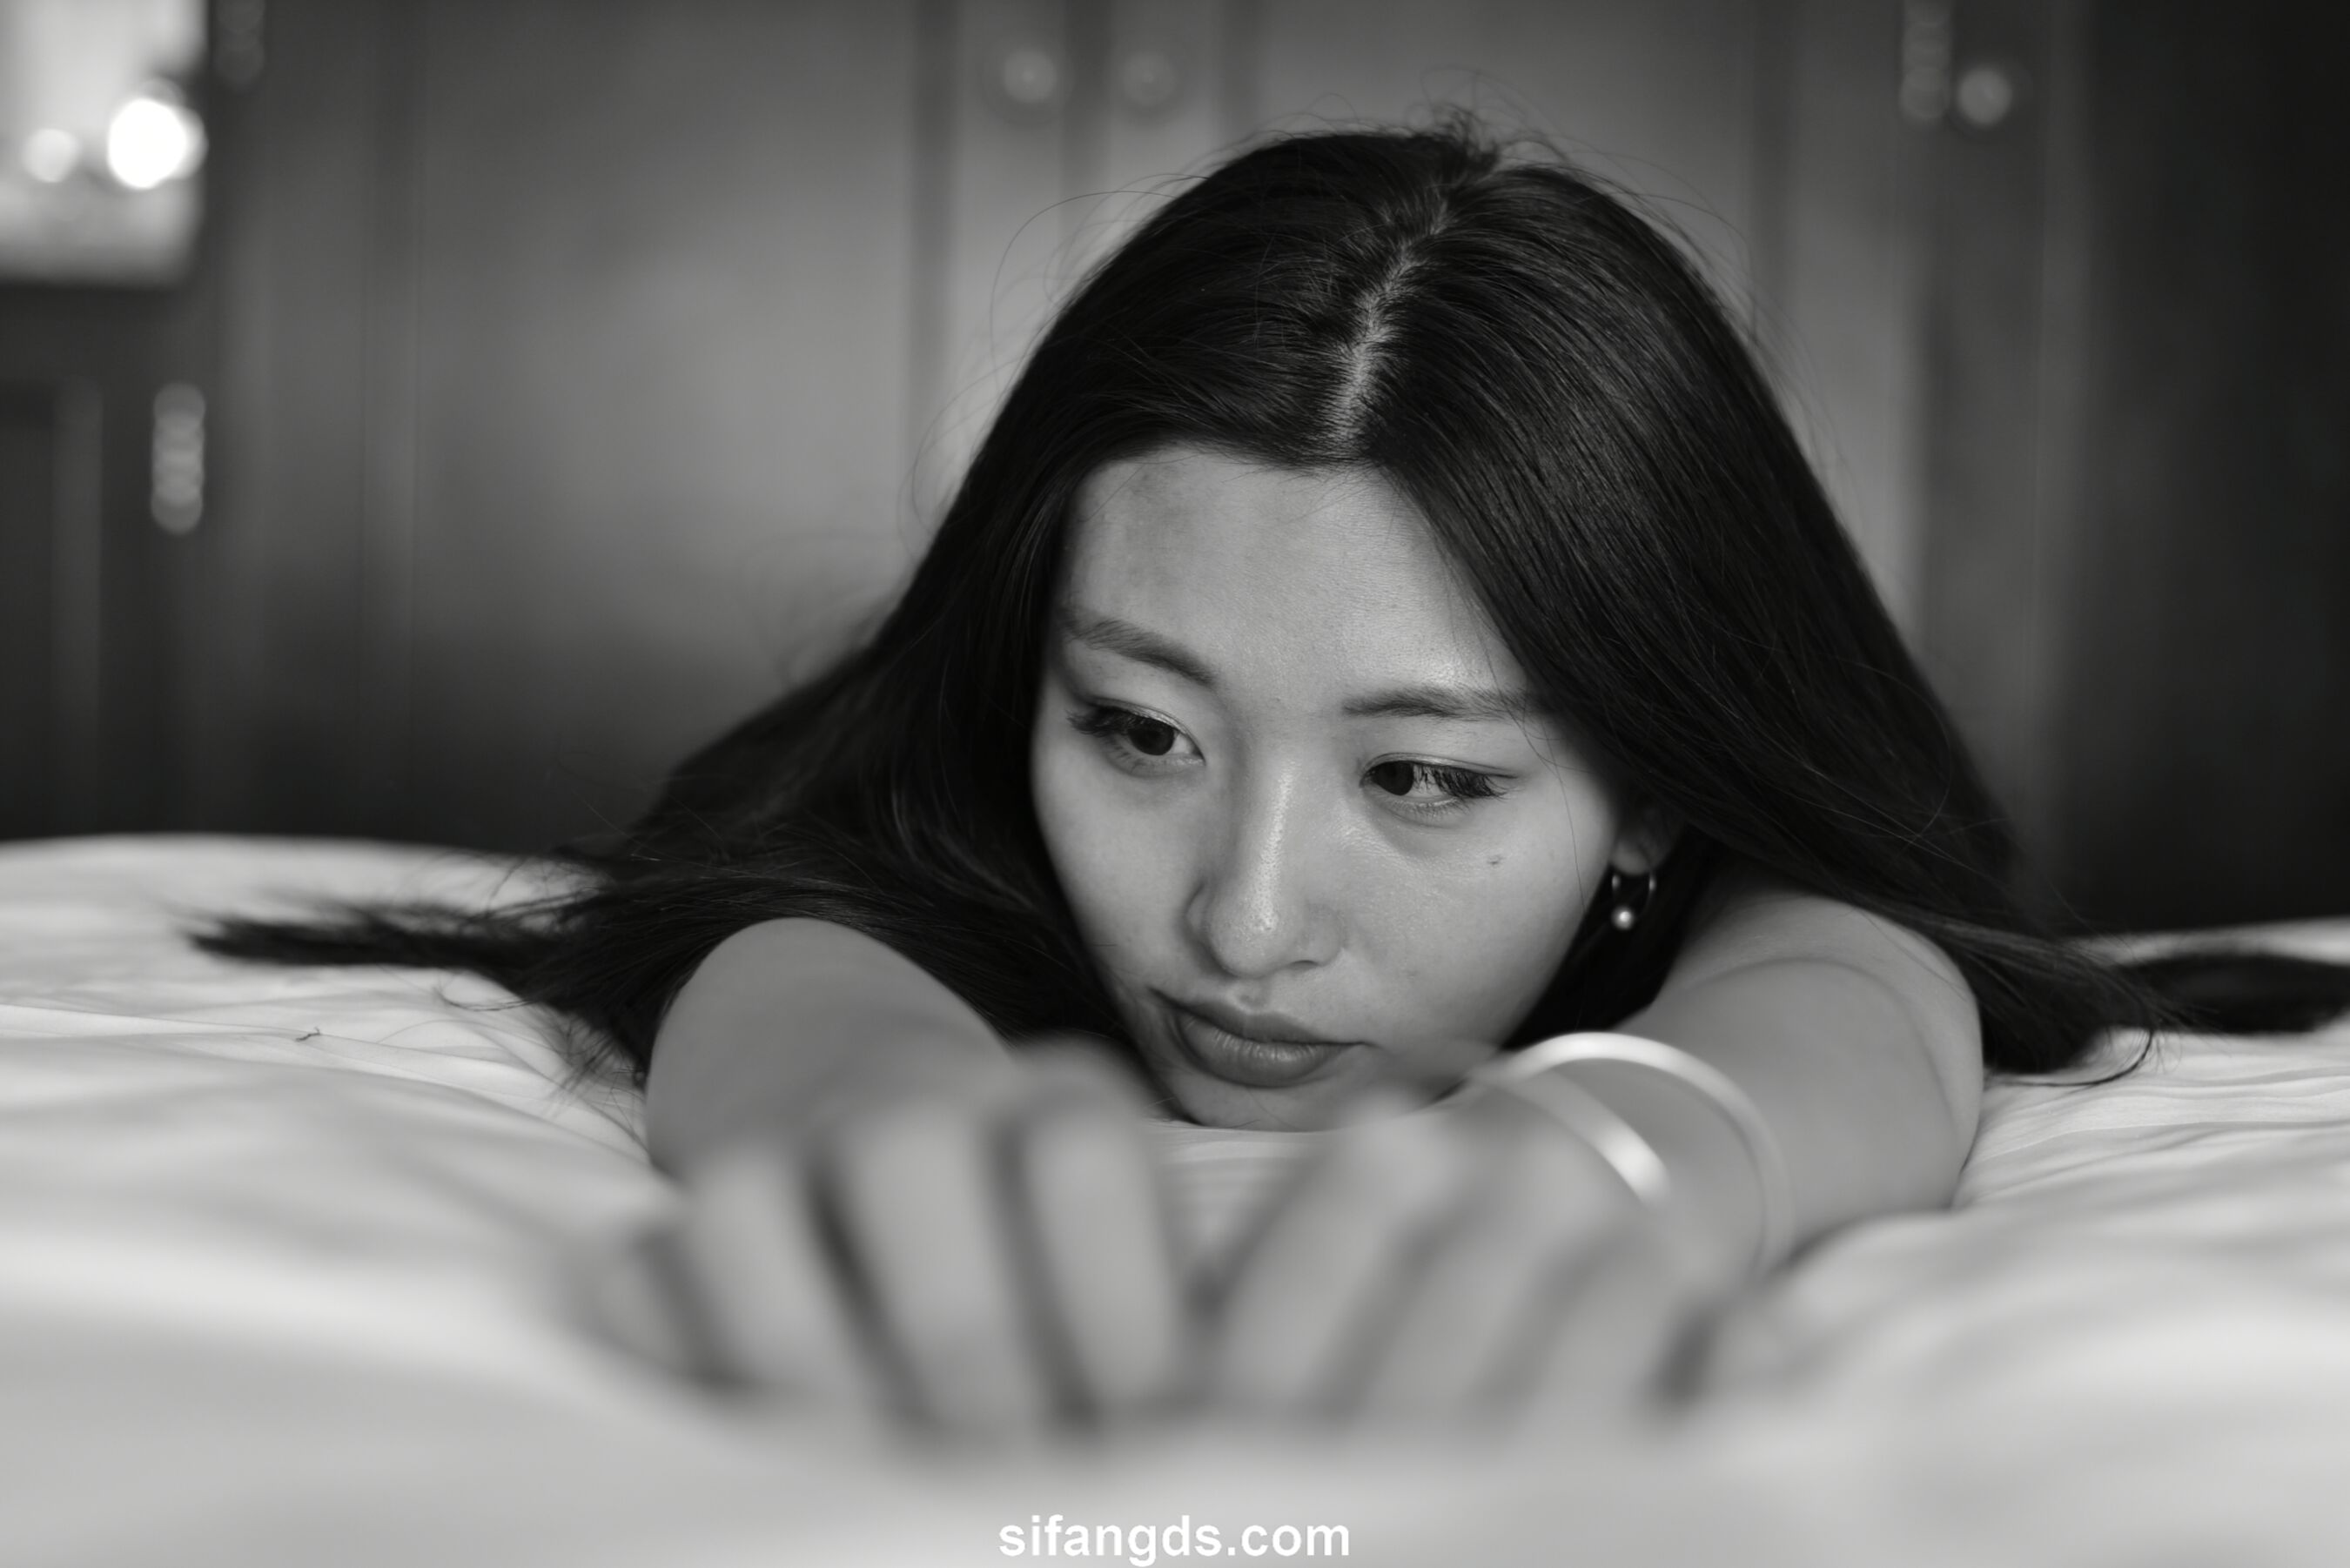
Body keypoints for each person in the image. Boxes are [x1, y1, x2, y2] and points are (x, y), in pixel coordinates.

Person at [204, 117, 2334, 1437]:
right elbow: (786, 944)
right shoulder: (933, 828)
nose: (1240, 915)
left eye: (1422, 778)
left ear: (1656, 793)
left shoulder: (1767, 893)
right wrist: (876, 1122)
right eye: (1141, 731)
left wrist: (1646, 1153)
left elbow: (1854, 981)